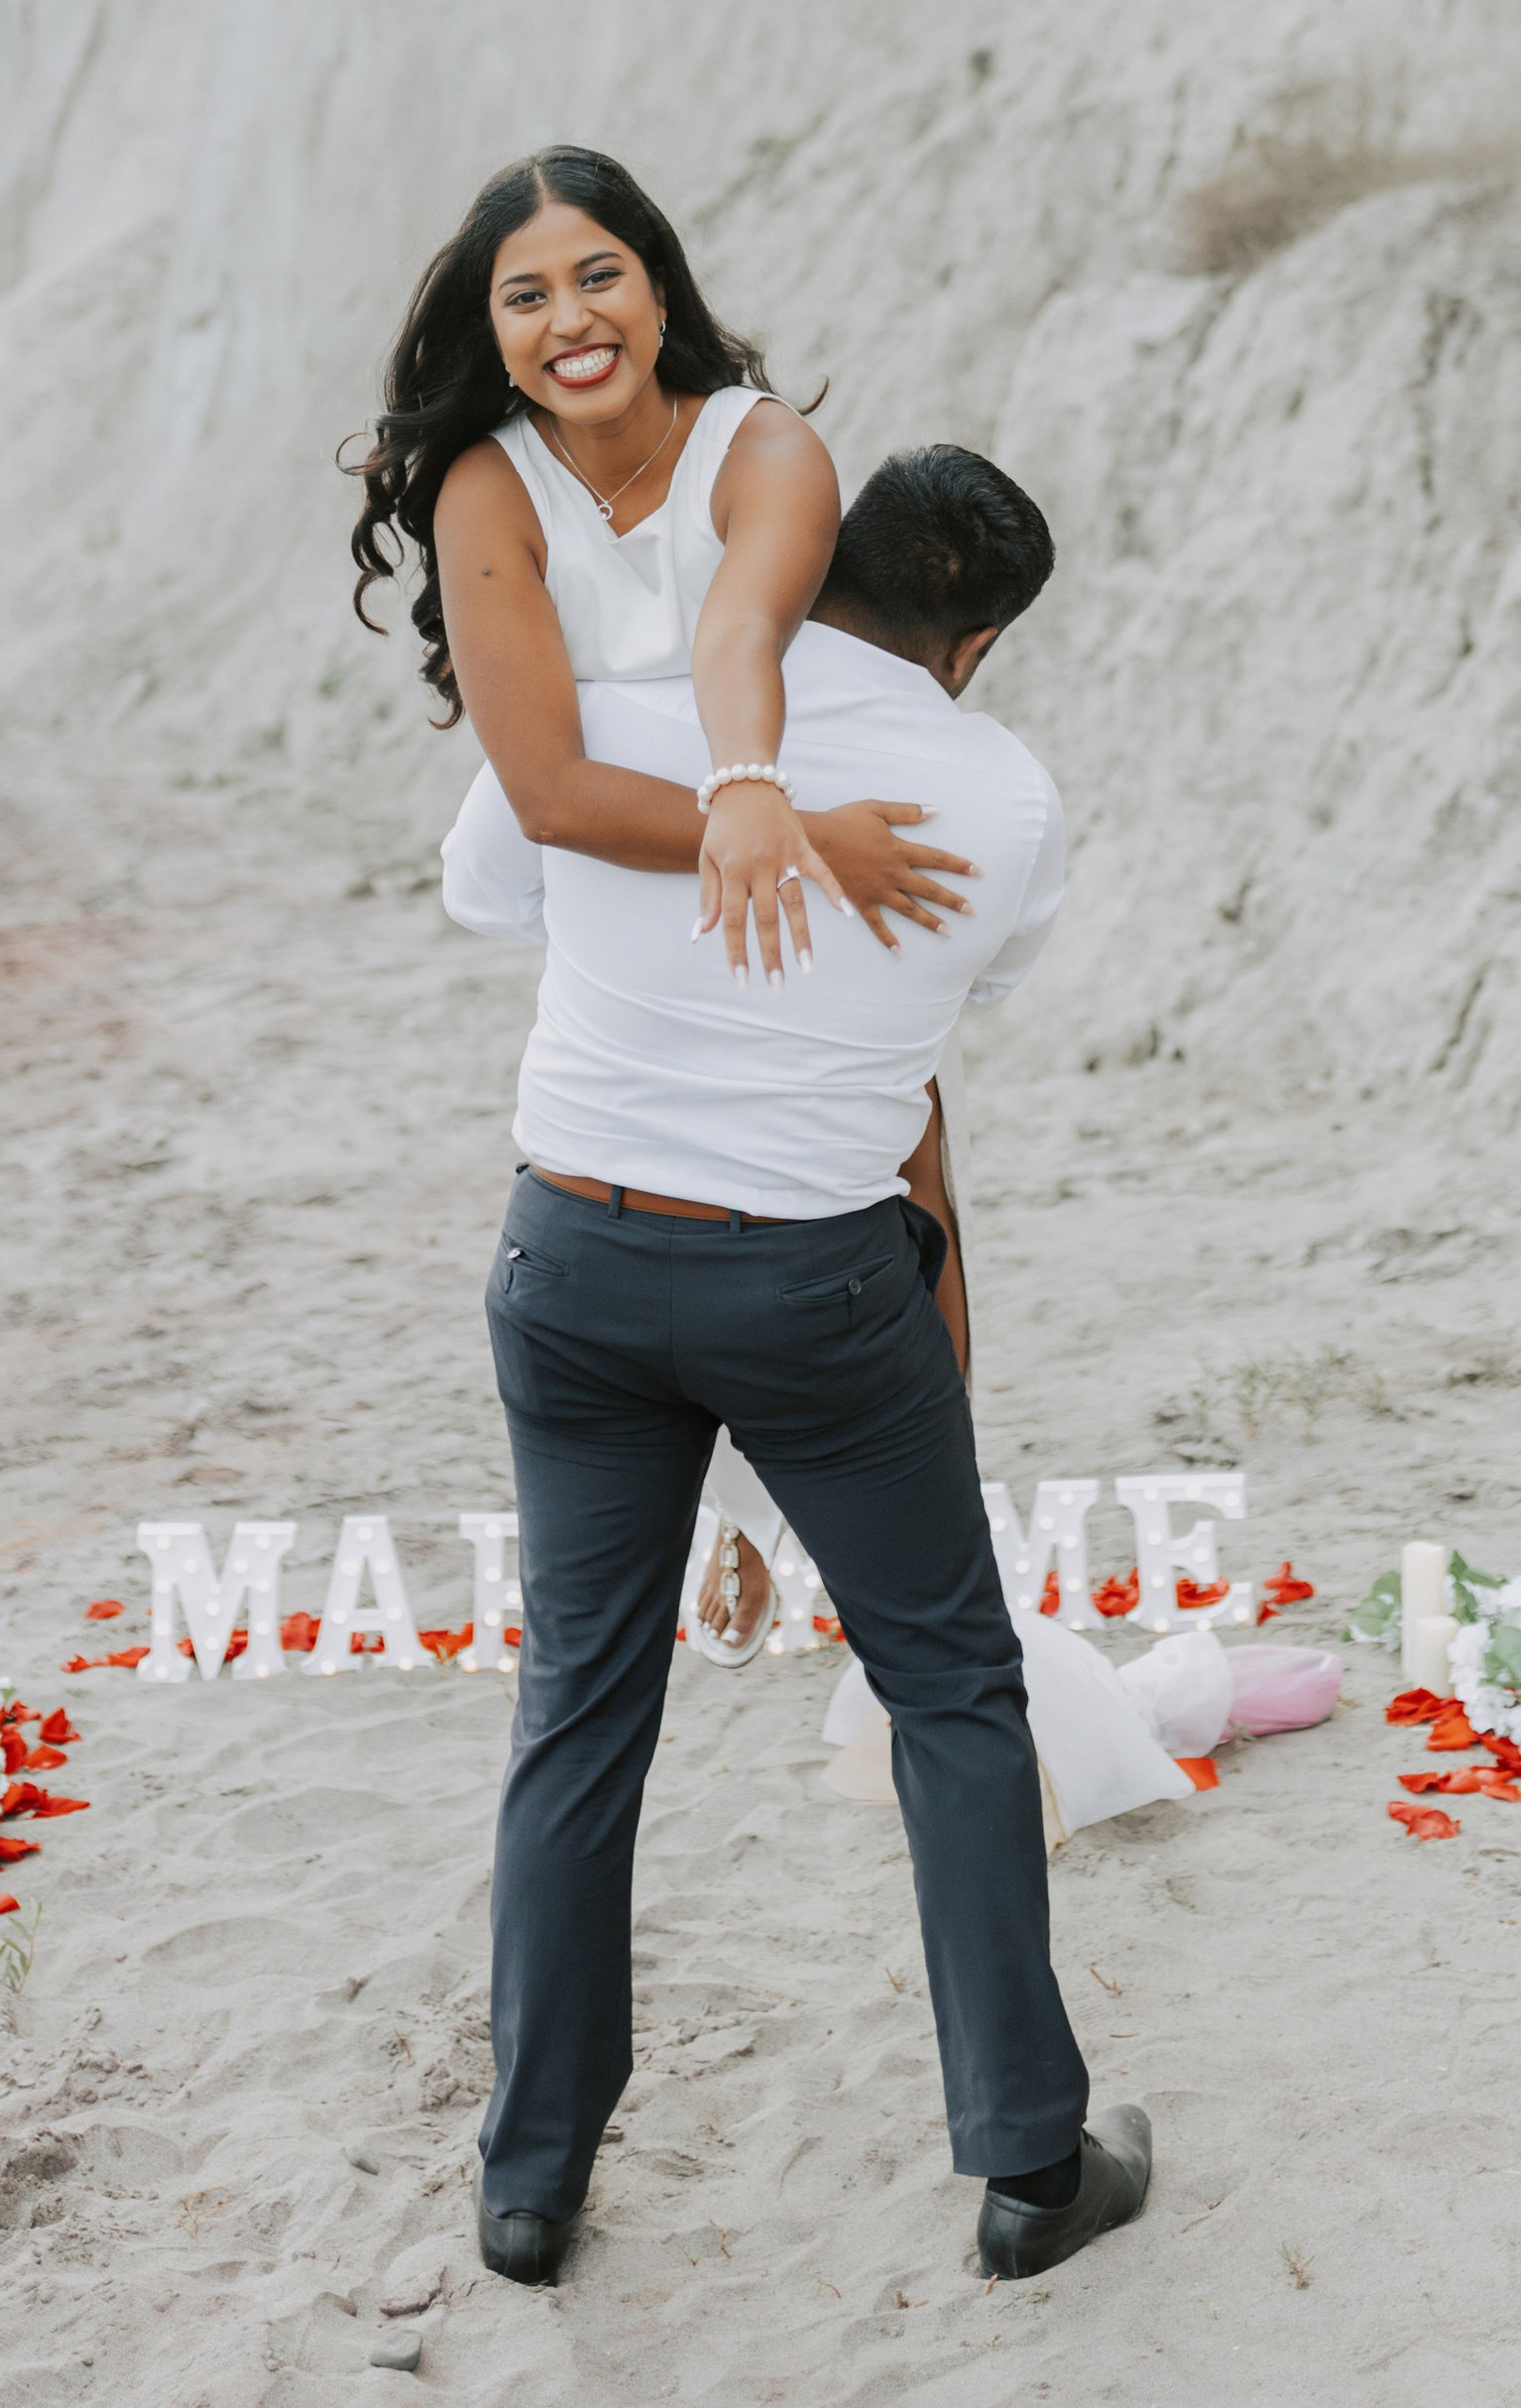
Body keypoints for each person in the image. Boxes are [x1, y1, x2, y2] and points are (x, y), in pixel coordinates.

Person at [434, 443, 1153, 2290]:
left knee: (579, 1705)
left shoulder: (623, 697)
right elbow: (921, 1047)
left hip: (574, 1255)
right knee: (950, 1692)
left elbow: (490, 890)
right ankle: (1025, 2165)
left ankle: (532, 2183)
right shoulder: (1002, 797)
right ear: (977, 641)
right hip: (816, 1287)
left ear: (811, 556)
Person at [349, 145, 978, 1655]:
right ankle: (746, 1507)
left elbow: (735, 635)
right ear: (490, 329)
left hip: (746, 788)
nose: (570, 317)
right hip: (597, 841)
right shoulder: (487, 486)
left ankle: (865, 1497)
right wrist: (785, 822)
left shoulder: (764, 452)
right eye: (527, 294)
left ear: (656, 282)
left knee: (903, 1140)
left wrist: (761, 782)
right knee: (688, 1166)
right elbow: (555, 792)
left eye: (598, 274)